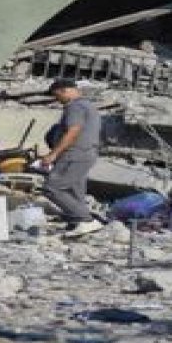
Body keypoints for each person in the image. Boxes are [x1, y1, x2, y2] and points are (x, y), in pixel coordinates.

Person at [40, 79, 104, 237]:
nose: (58, 101)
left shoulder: (75, 106)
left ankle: (86, 220)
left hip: (74, 154)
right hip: (85, 153)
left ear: (64, 91)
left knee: (52, 187)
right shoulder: (88, 106)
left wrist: (53, 154)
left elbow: (73, 131)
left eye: (57, 96)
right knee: (75, 190)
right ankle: (78, 222)